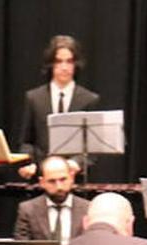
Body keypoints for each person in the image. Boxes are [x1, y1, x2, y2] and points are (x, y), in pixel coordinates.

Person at [17, 35, 100, 180]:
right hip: (43, 176)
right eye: (58, 61)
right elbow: (27, 141)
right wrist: (29, 162)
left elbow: (91, 147)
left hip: (74, 178)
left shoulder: (89, 99)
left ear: (76, 64)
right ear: (50, 64)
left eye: (69, 61)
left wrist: (76, 163)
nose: (64, 67)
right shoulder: (34, 98)